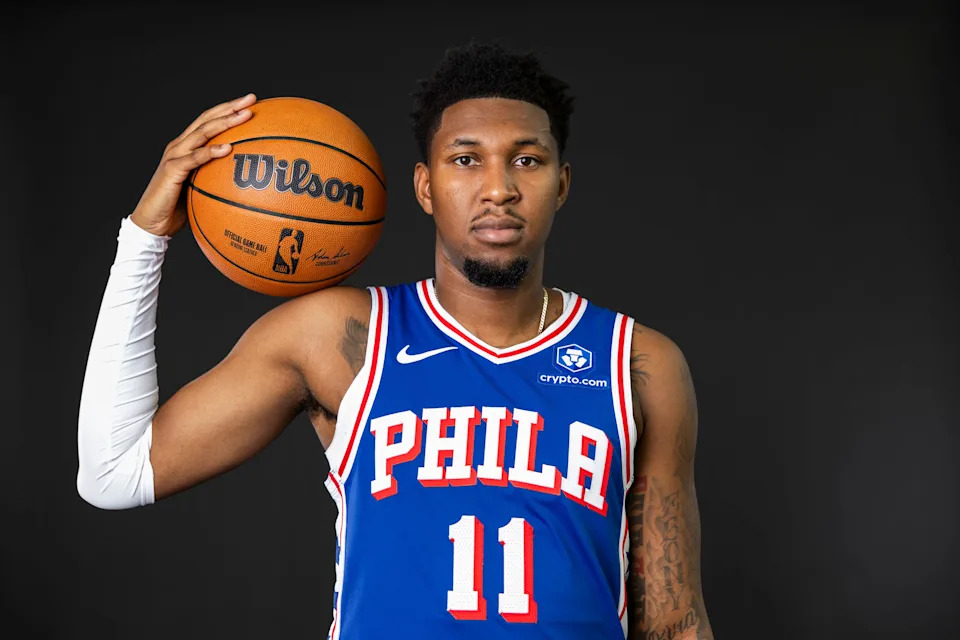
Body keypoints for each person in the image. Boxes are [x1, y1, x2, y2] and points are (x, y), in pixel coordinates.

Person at [77, 43, 714, 639]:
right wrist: (145, 235)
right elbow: (113, 473)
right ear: (425, 186)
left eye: (527, 158)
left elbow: (675, 621)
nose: (499, 188)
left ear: (562, 183)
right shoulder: (341, 339)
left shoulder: (637, 363)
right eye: (466, 159)